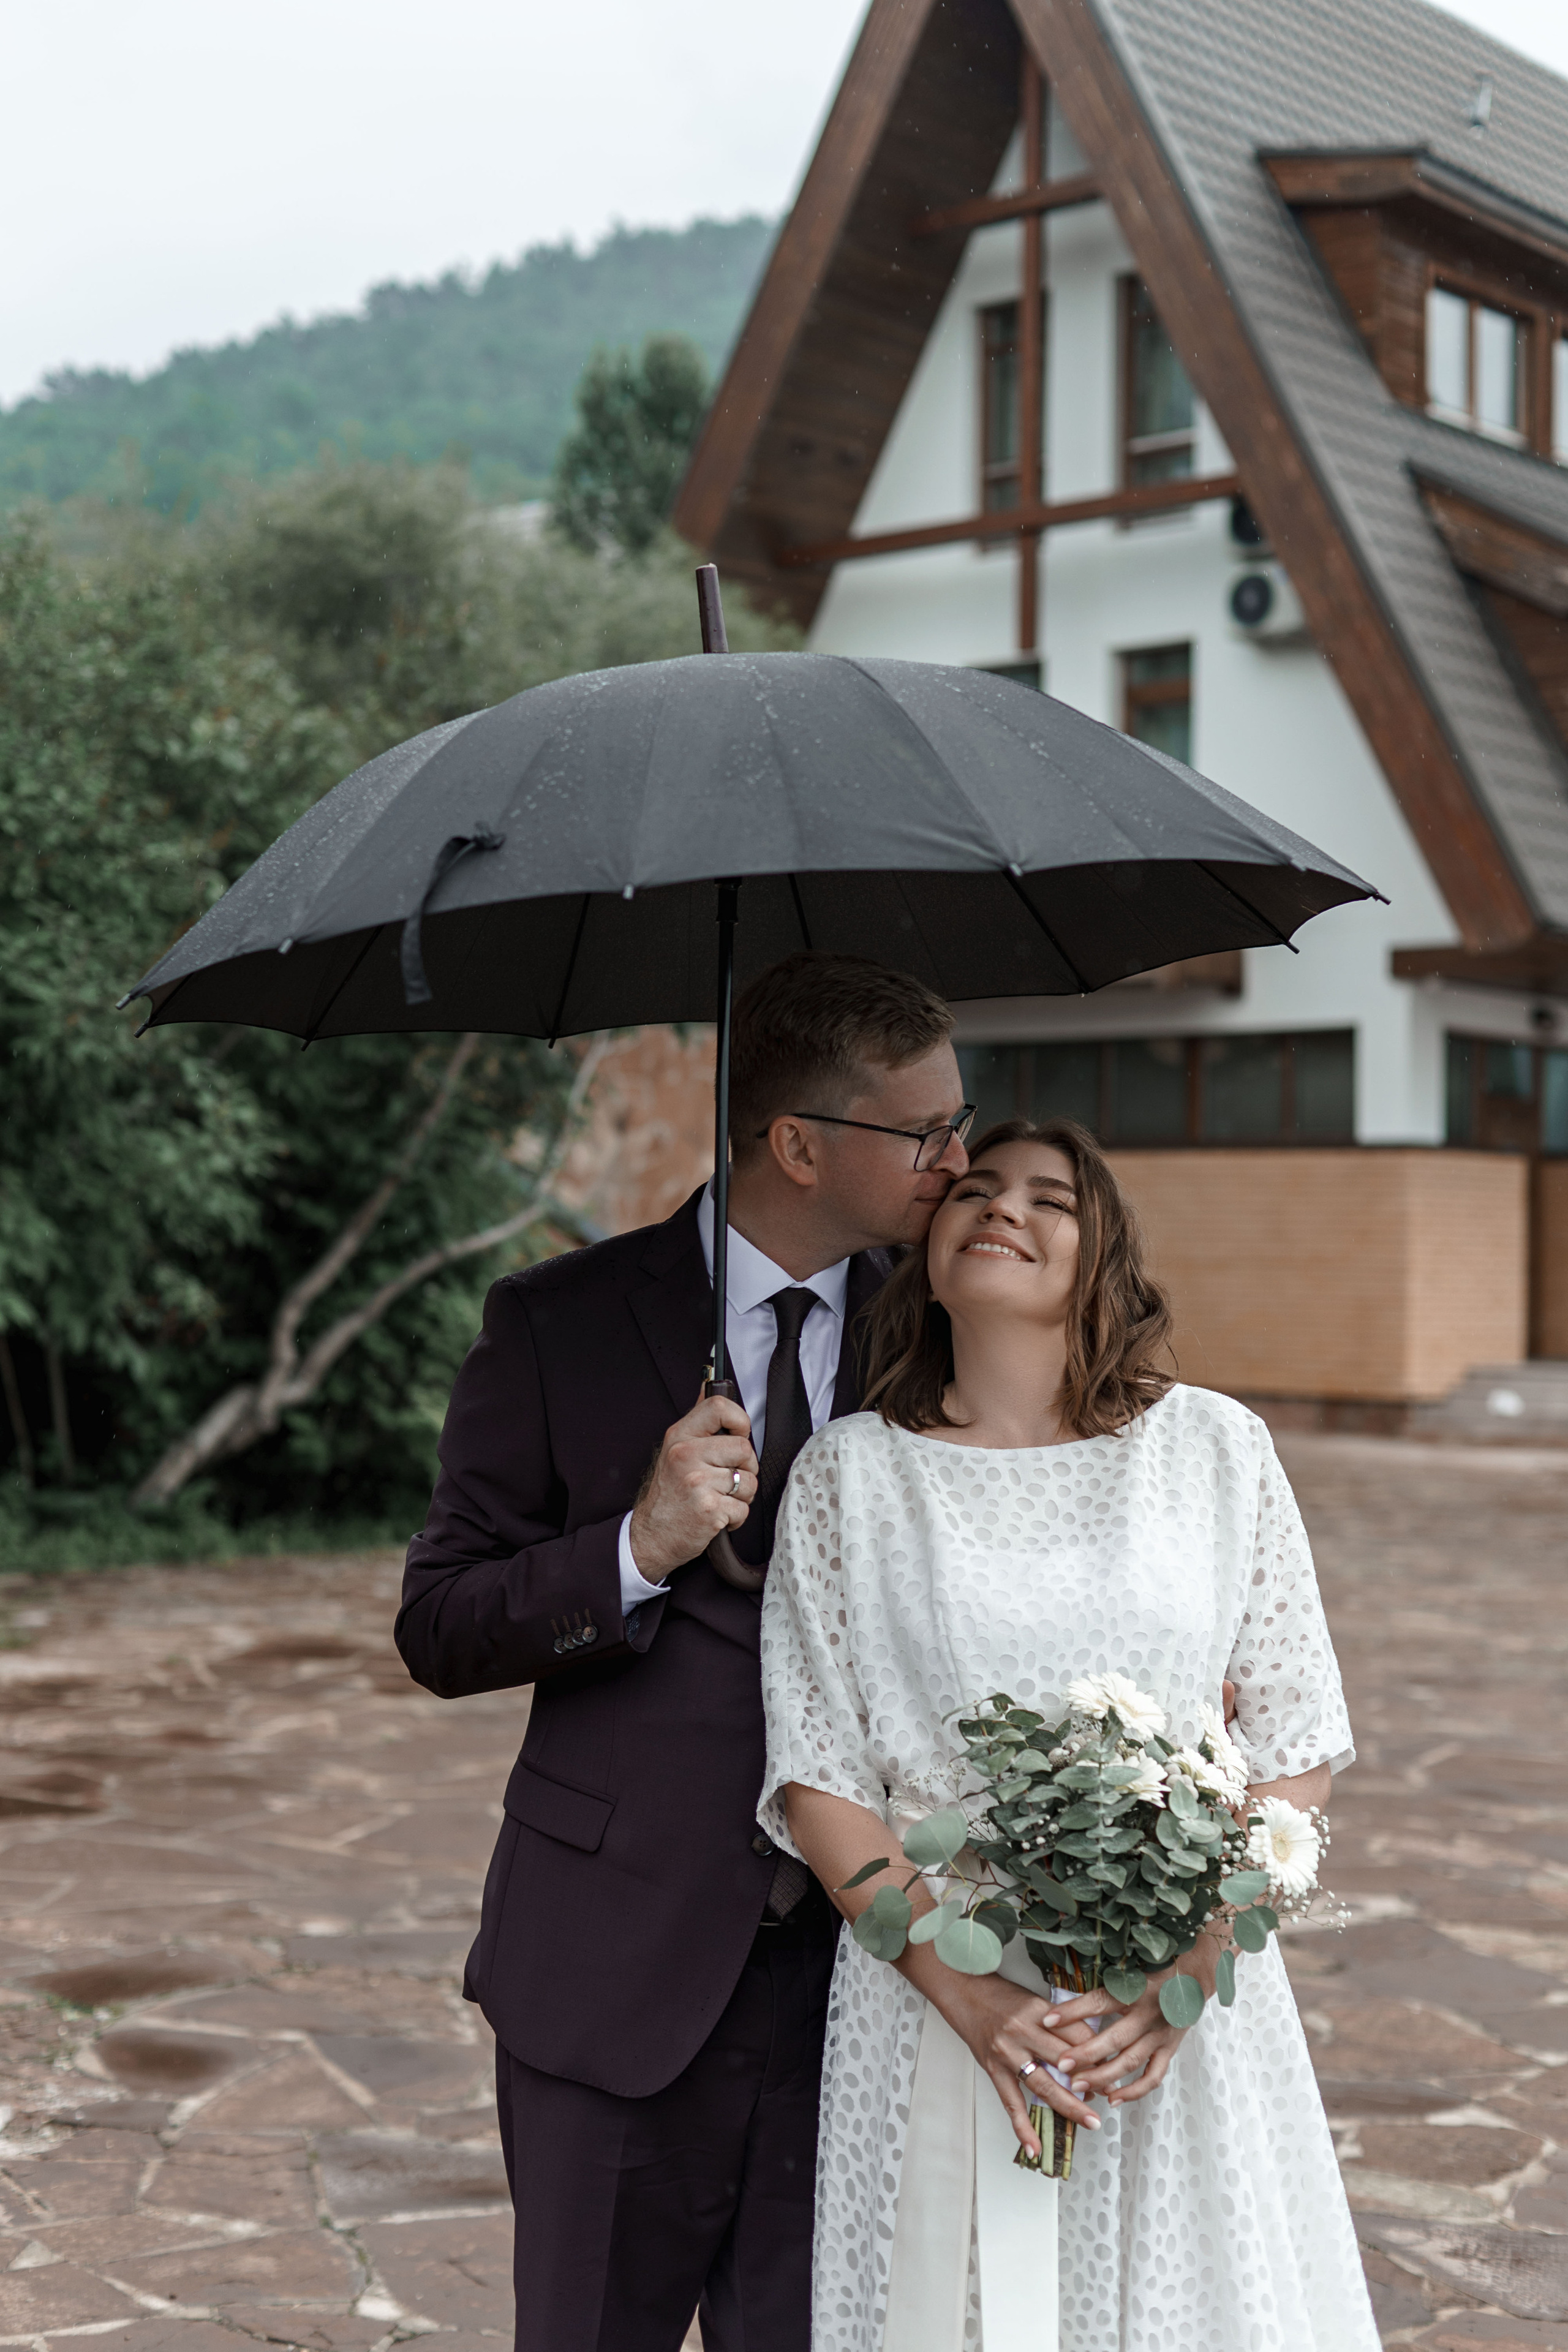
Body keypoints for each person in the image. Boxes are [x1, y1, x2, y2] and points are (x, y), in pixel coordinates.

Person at [394, 951, 974, 2352]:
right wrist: (634, 1548)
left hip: (866, 1983)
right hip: (613, 1966)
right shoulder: (555, 1324)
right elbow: (440, 1625)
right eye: (924, 1133)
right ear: (797, 1141)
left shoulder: (942, 1327)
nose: (956, 1163)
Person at [758, 1117, 1381, 2352]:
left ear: (1101, 1254)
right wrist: (966, 1990)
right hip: (935, 1995)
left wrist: (1194, 1961)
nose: (1002, 1210)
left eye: (1050, 1197)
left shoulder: (1213, 1451)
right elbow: (819, 1773)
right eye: (972, 1191)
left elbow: (1295, 1736)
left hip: (1170, 2016)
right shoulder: (850, 1479)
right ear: (927, 1254)